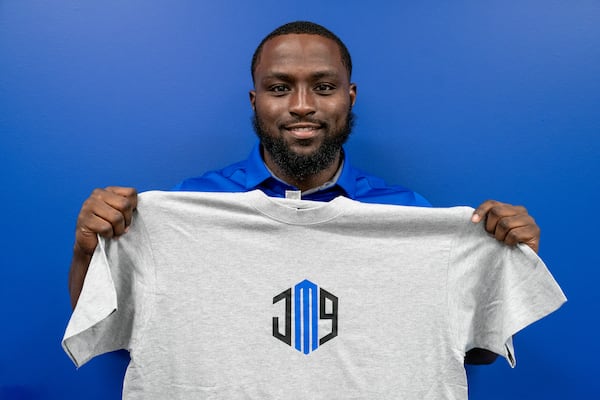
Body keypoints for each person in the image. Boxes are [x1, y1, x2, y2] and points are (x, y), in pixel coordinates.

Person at [67, 21, 541, 366]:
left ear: (348, 97)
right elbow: (108, 329)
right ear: (255, 100)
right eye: (279, 87)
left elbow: (476, 353)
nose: (301, 106)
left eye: (323, 87)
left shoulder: (411, 216)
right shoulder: (184, 209)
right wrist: (88, 251)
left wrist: (508, 263)